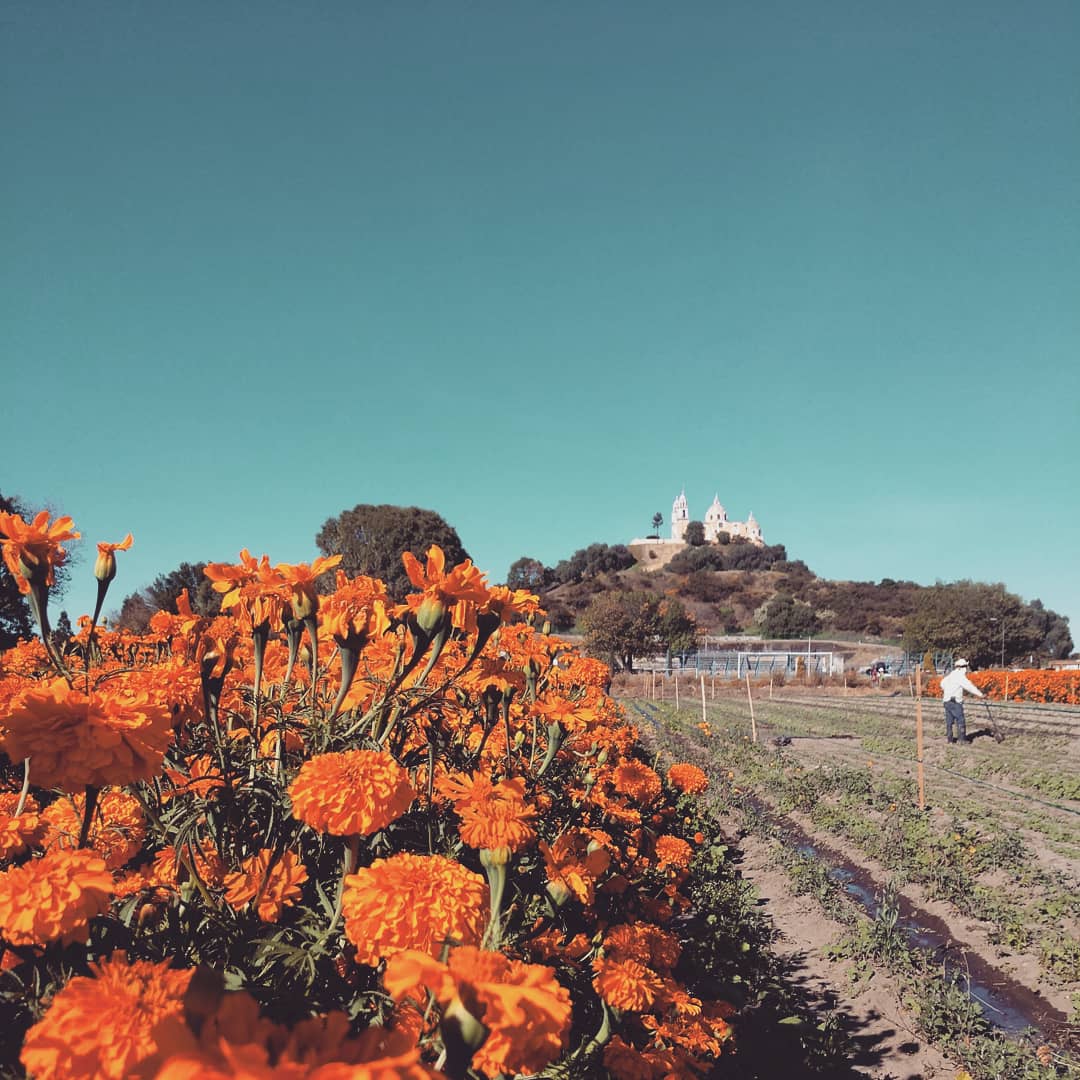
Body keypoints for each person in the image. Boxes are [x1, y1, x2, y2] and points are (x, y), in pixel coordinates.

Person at [940, 658, 984, 744]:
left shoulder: (951, 675)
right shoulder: (960, 676)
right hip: (955, 702)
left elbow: (942, 683)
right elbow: (969, 686)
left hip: (946, 701)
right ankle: (962, 740)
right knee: (960, 720)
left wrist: (948, 691)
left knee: (949, 721)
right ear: (963, 667)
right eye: (966, 667)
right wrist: (981, 695)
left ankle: (950, 740)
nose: (966, 669)